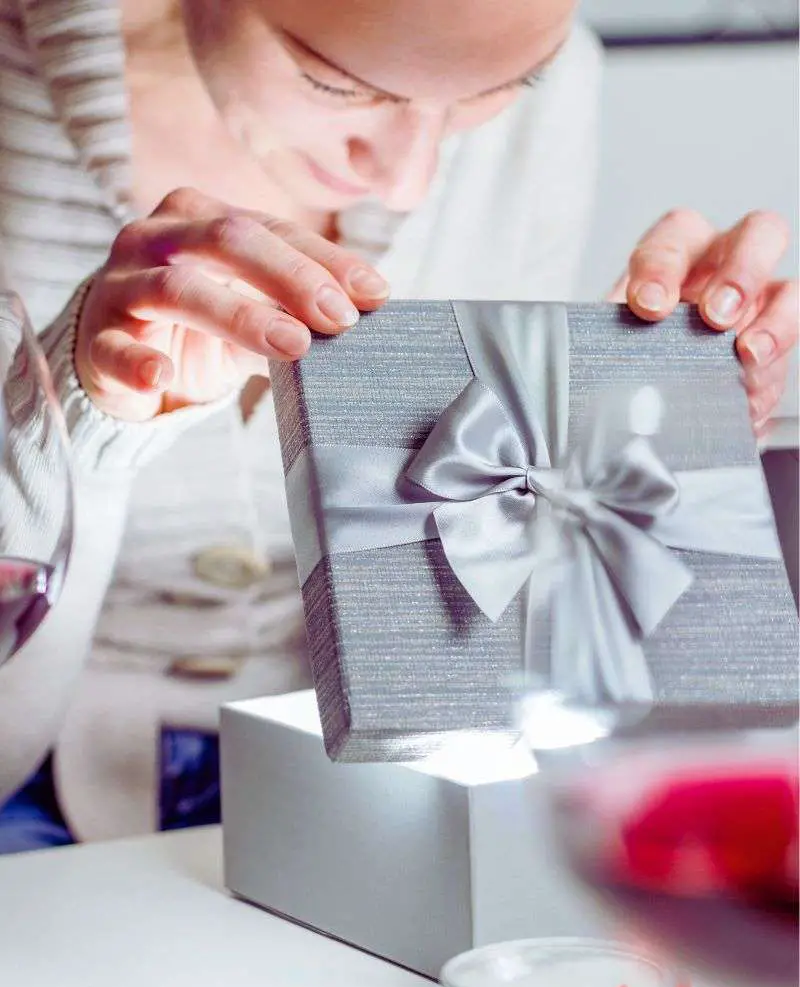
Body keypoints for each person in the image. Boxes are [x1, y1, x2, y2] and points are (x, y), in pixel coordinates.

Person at [0, 0, 796, 852]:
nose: (411, 180)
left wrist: (637, 445)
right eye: (332, 82)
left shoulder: (554, 90)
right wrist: (79, 427)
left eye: (499, 89)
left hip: (385, 795)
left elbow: (480, 619)